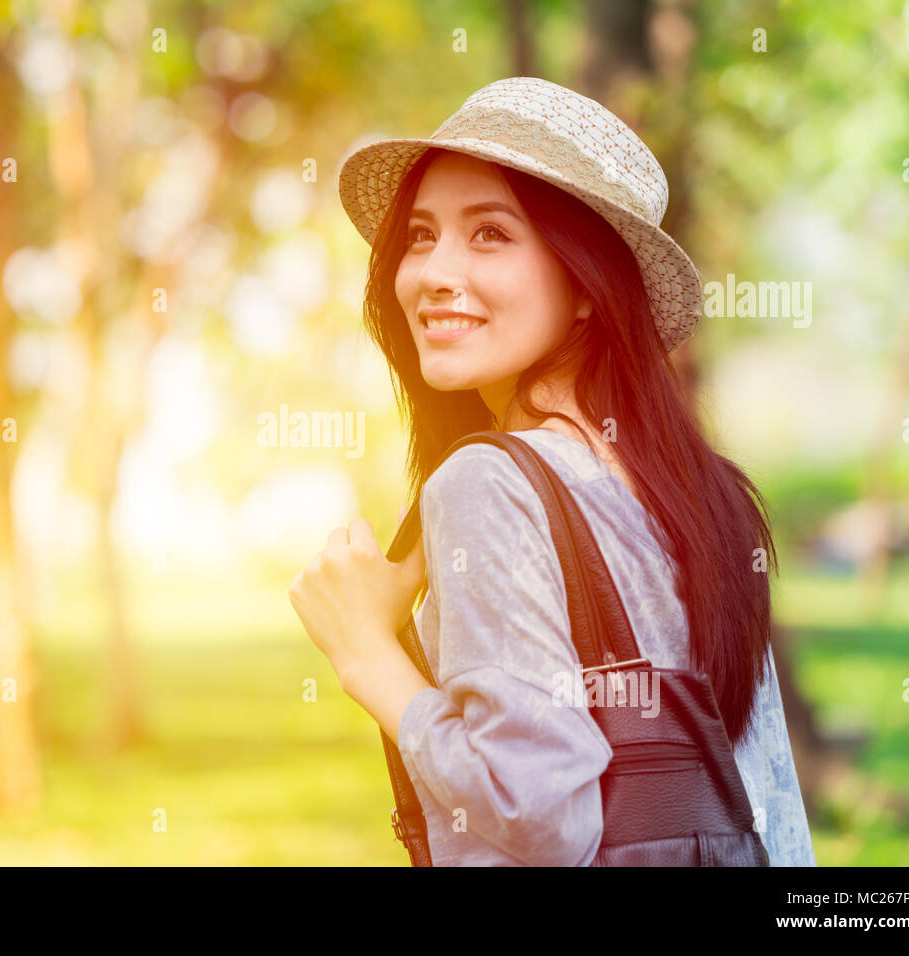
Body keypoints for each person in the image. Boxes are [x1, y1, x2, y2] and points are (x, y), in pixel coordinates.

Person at [288, 76, 817, 866]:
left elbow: (540, 816)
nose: (433, 272)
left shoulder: (487, 483)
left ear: (584, 286)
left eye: (491, 234)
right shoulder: (704, 496)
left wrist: (367, 654)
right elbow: (767, 798)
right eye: (422, 235)